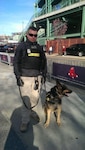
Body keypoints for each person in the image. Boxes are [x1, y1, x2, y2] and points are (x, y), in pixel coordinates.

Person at [13, 26, 47, 132]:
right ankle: (25, 121)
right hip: (24, 78)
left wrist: (44, 75)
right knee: (26, 101)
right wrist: (18, 76)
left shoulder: (39, 47)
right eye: (31, 35)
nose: (33, 37)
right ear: (27, 35)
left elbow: (43, 62)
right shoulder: (21, 46)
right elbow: (16, 62)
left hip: (37, 78)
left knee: (35, 98)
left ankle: (30, 111)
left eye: (35, 35)